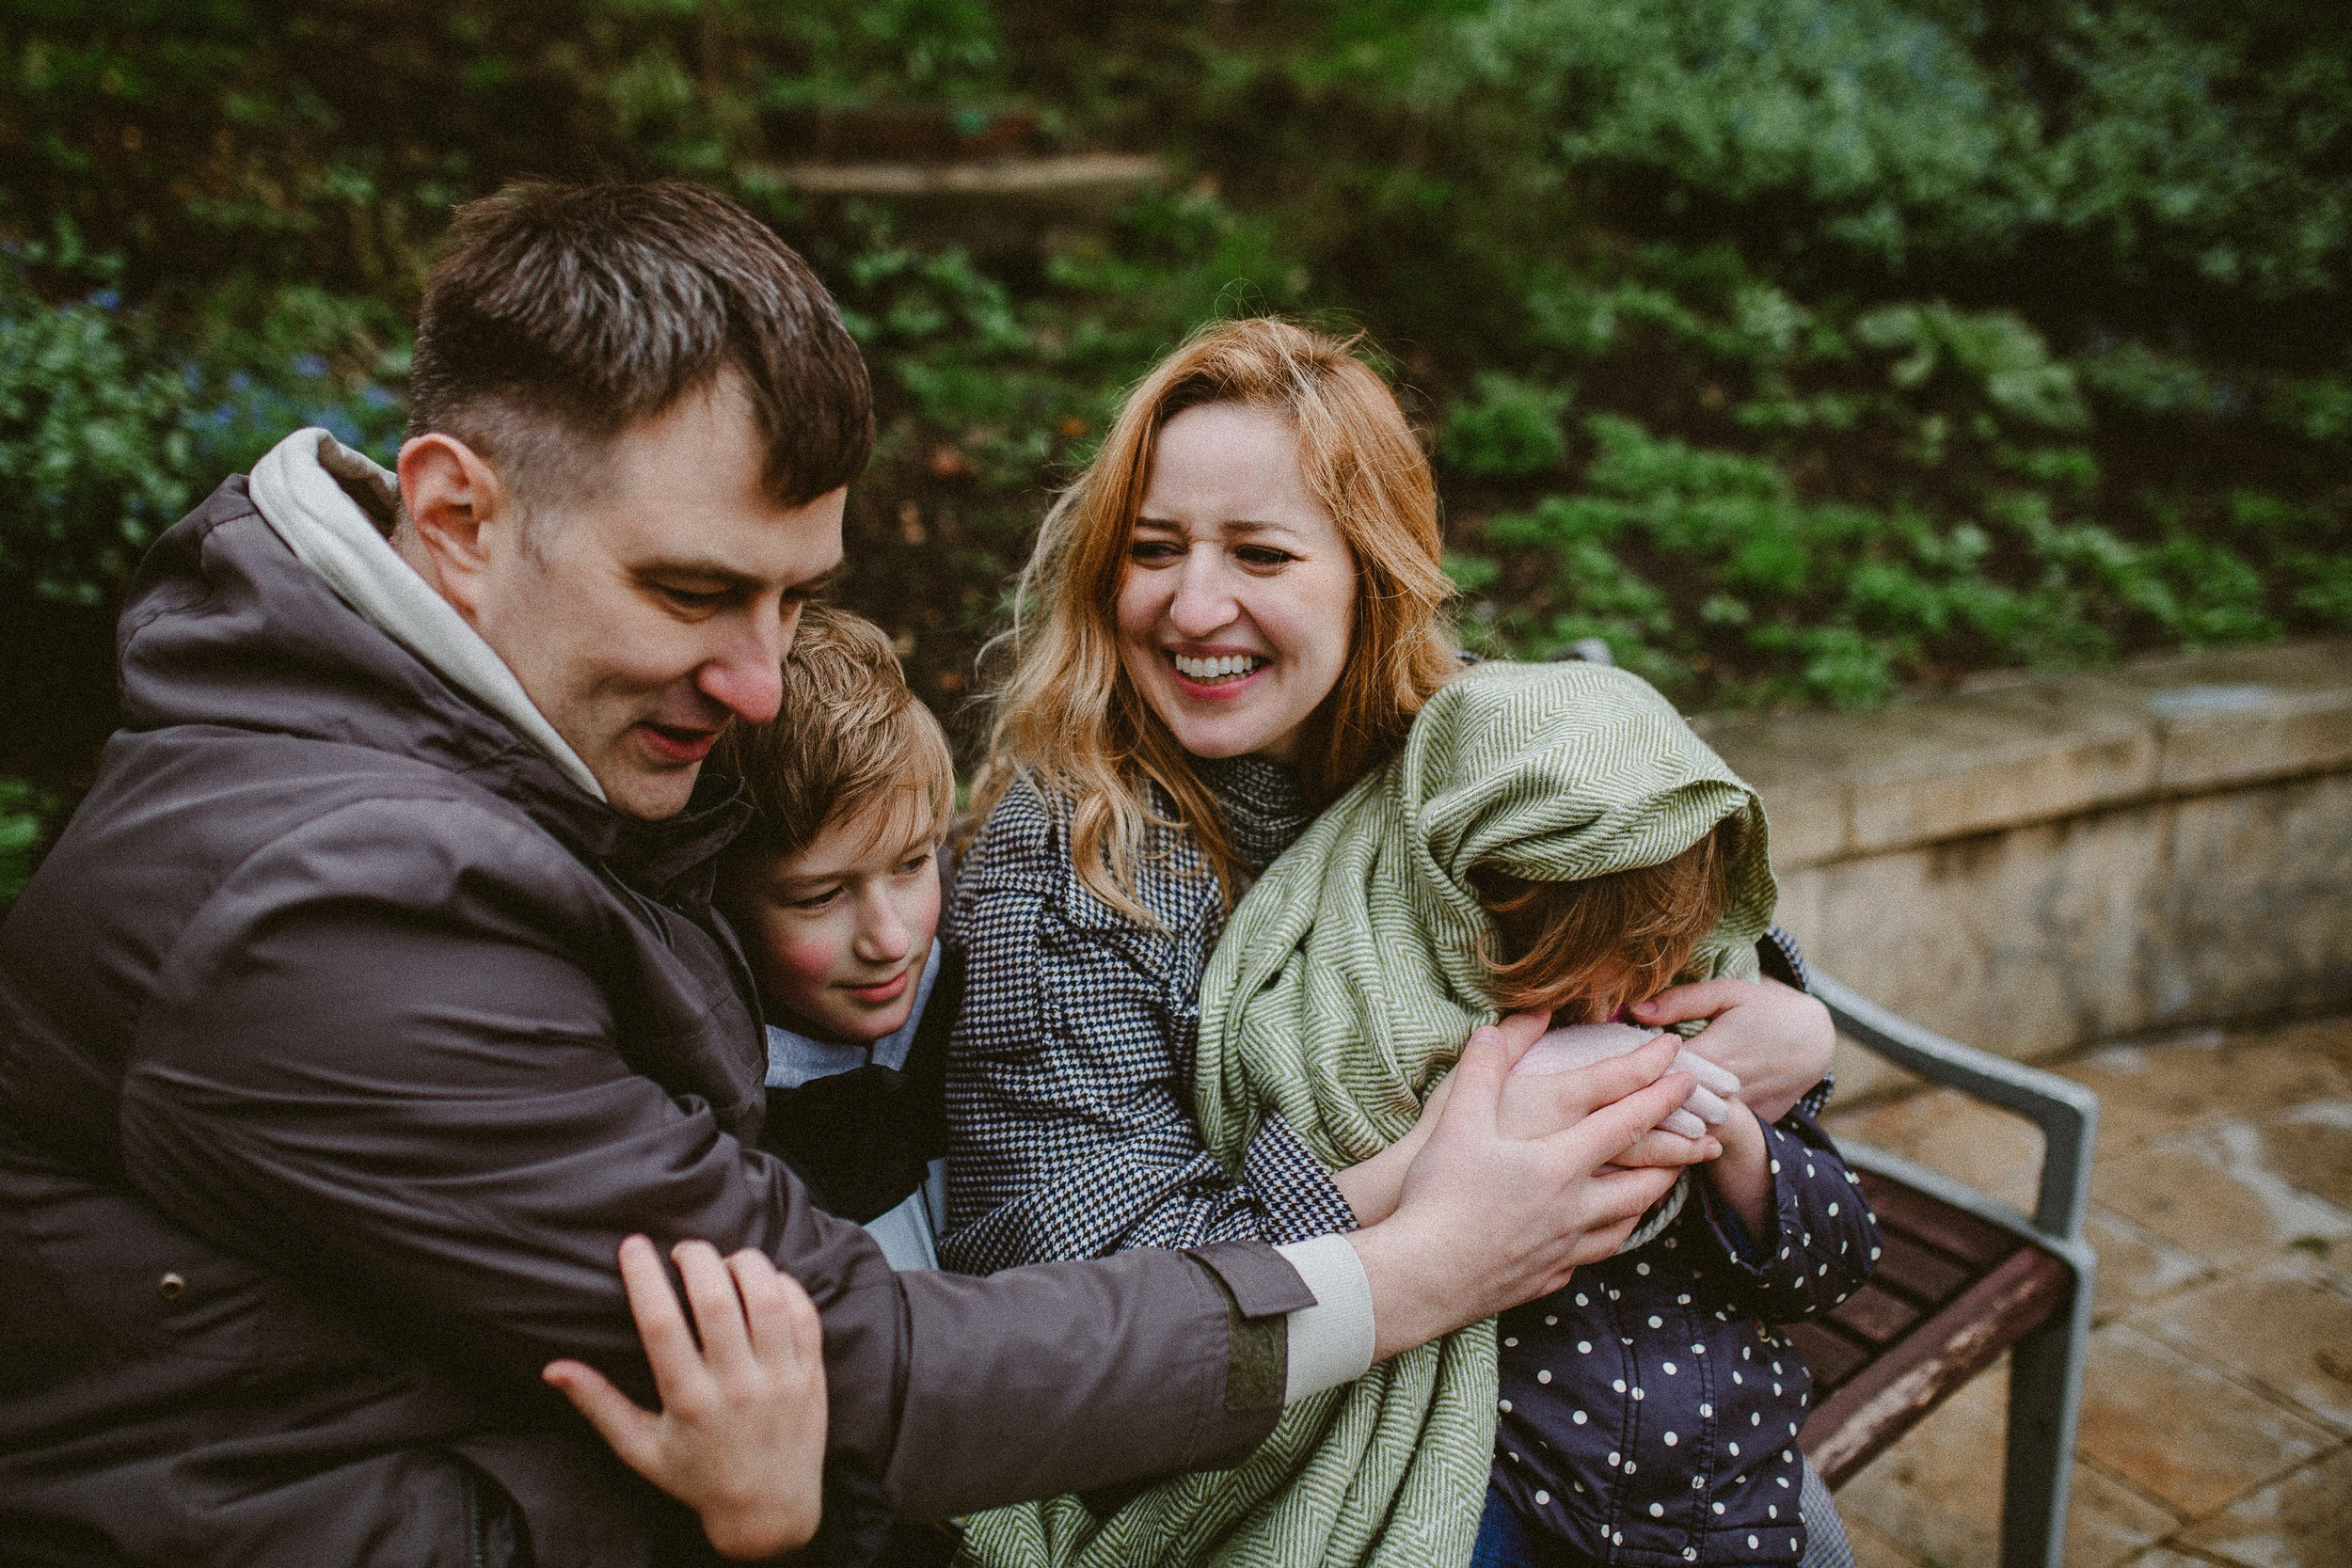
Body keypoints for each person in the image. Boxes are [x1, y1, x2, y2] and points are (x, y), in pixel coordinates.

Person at [0, 181, 1707, 1568]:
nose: (755, 685)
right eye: (690, 591)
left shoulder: (491, 754)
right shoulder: (332, 910)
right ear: (454, 518)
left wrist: (1747, 1050)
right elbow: (851, 1354)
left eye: (791, 598)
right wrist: (1421, 1265)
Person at [936, 318, 1849, 1566]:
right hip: (1256, 1422)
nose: (1195, 605)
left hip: (1567, 1360)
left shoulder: (1464, 747)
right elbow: (1083, 1286)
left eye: (1259, 553)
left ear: (1371, 575)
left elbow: (1657, 908)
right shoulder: (1071, 864)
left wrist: (1793, 1013)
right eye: (1152, 552)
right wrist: (1435, 1188)